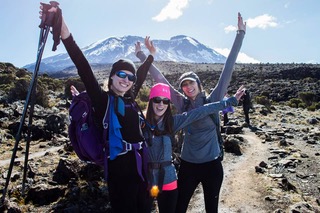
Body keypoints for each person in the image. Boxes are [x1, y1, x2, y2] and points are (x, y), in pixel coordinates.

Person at [40, 4, 155, 213]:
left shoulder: (130, 98)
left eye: (130, 77)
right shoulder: (102, 101)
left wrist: (149, 56)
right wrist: (62, 27)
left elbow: (143, 74)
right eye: (121, 74)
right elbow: (81, 64)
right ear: (111, 76)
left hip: (142, 167)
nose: (126, 80)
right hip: (119, 172)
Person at [136, 12, 246, 213]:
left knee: (211, 209)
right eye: (184, 85)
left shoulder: (213, 99)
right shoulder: (181, 103)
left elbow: (227, 68)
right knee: (179, 208)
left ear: (198, 84)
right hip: (188, 165)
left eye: (190, 83)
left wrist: (240, 34)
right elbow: (160, 79)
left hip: (212, 165)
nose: (187, 87)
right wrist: (143, 56)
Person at [144, 83, 245, 213]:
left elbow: (201, 111)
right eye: (157, 100)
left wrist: (229, 102)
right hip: (146, 178)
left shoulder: (172, 122)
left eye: (165, 101)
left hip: (168, 178)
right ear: (151, 101)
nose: (161, 104)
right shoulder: (140, 123)